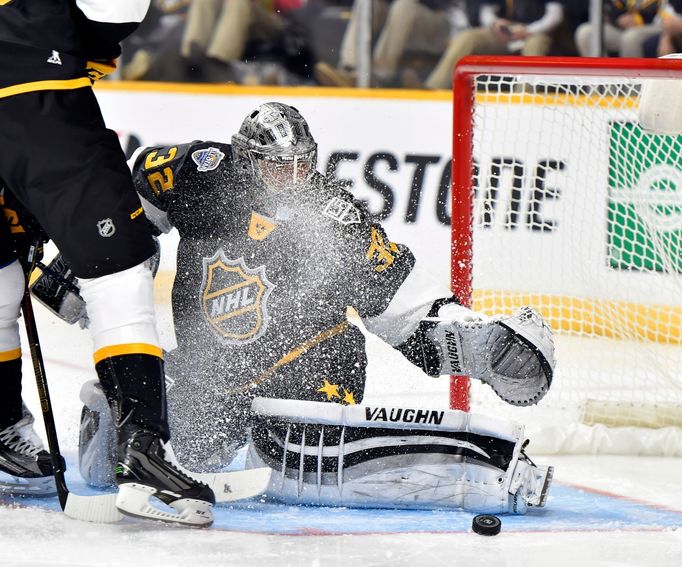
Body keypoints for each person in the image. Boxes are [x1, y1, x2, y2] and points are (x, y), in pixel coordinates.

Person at [66, 102, 556, 514]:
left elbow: (401, 305)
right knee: (141, 452)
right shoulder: (198, 175)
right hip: (213, 372)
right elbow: (123, 216)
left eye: (303, 162)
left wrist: (472, 341)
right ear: (246, 159)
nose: (295, 175)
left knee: (300, 460)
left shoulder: (332, 218)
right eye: (280, 164)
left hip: (308, 369)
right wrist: (80, 268)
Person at [0, 0, 214, 526]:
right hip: (38, 94)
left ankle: (1, 424)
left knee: (2, 276)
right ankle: (143, 454)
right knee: (120, 268)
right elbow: (111, 7)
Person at [410, 0, 565, 90]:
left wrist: (529, 30)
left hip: (534, 32)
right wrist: (494, 23)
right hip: (504, 34)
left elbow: (555, 14)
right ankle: (432, 89)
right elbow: (486, 10)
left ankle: (523, 97)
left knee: (536, 44)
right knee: (468, 37)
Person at [314, 0, 472, 88]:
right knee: (369, 3)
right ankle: (351, 71)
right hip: (400, 17)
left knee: (405, 6)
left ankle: (380, 77)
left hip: (446, 23)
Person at [574, 0, 663, 58]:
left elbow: (666, 8)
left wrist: (638, 19)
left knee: (629, 38)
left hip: (657, 24)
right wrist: (617, 17)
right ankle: (601, 85)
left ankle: (632, 86)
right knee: (586, 33)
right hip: (623, 26)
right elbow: (609, 6)